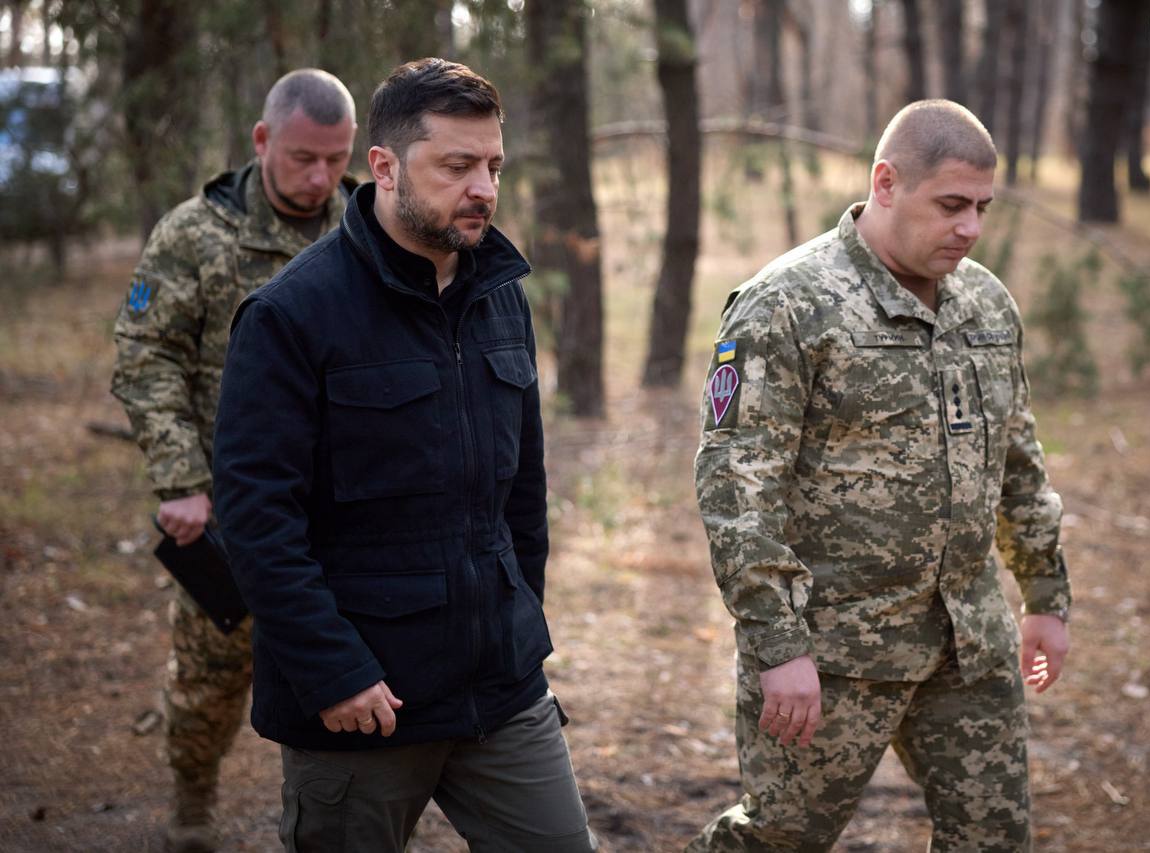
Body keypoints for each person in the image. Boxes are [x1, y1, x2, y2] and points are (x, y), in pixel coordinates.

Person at [211, 58, 596, 853]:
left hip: (500, 689)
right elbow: (256, 519)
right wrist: (333, 670)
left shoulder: (501, 293)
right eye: (456, 166)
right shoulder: (293, 313)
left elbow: (522, 494)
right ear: (384, 167)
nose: (483, 188)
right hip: (364, 700)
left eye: (493, 166)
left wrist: (519, 621)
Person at [687, 99, 1072, 852]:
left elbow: (1018, 460)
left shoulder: (986, 304)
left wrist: (1046, 594)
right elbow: (737, 488)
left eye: (983, 208)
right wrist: (778, 643)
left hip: (967, 643)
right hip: (833, 654)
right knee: (778, 839)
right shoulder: (788, 305)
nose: (971, 227)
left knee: (994, 839)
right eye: (952, 205)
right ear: (887, 183)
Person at [111, 69, 358, 852]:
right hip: (232, 513)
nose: (320, 178)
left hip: (349, 512)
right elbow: (145, 355)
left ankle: (354, 816)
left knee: (354, 668)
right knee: (211, 677)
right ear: (261, 141)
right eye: (303, 158)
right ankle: (192, 804)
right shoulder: (195, 235)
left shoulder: (368, 229)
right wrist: (181, 480)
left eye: (337, 159)